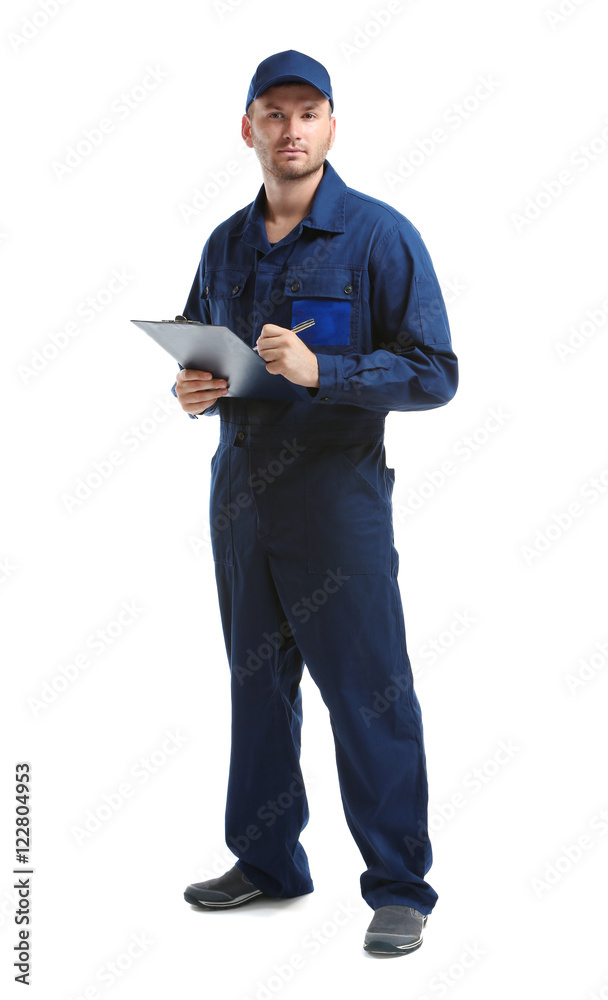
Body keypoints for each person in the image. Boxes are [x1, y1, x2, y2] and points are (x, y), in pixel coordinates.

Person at [172, 49, 458, 956]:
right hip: (241, 501)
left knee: (368, 694)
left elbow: (434, 373)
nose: (290, 129)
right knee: (257, 687)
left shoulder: (378, 237)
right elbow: (205, 351)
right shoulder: (222, 242)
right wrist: (193, 389)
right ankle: (266, 862)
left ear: (332, 126)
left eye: (308, 112)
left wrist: (325, 369)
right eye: (273, 112)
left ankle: (400, 885)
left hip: (337, 507)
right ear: (247, 127)